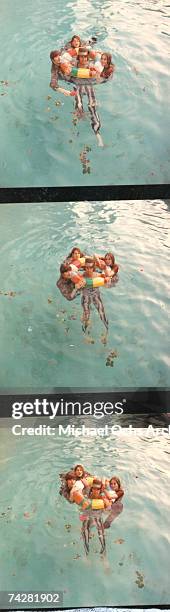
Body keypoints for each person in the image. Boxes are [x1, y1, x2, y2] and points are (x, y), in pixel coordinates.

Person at [81, 259, 108, 332]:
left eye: (90, 267)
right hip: (86, 296)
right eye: (86, 267)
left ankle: (106, 328)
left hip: (96, 295)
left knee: (101, 311)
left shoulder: (97, 275)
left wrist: (106, 278)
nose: (88, 269)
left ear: (93, 268)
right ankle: (85, 329)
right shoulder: (81, 277)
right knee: (86, 313)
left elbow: (106, 279)